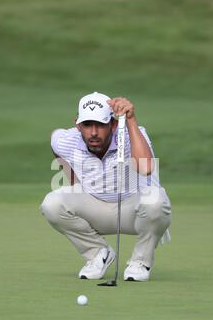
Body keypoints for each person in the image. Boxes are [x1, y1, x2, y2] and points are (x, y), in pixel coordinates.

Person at [40, 92, 172, 282]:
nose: (93, 132)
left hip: (135, 213)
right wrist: (74, 184)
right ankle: (97, 253)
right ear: (78, 125)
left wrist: (131, 120)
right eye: (87, 125)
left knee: (156, 200)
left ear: (113, 124)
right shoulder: (66, 140)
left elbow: (146, 168)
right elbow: (55, 140)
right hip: (96, 211)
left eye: (100, 125)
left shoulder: (132, 134)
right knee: (51, 203)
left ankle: (140, 262)